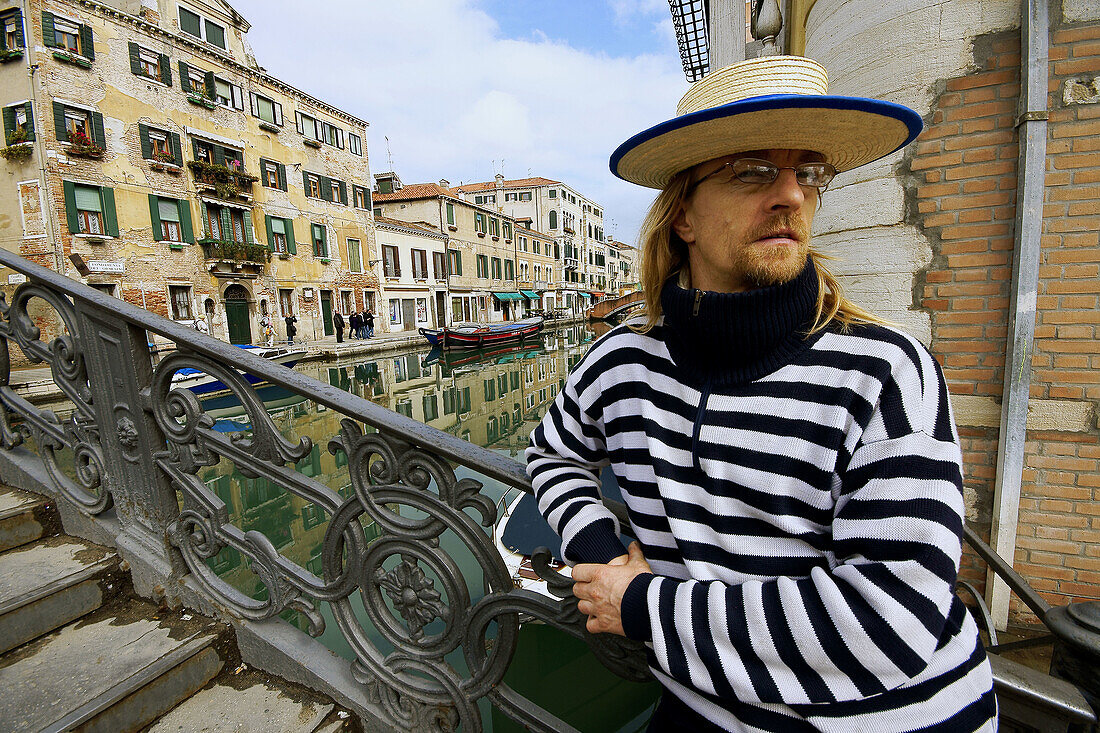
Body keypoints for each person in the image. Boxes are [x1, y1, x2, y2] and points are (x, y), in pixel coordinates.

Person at [526, 56, 995, 732]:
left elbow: (890, 620)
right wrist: (598, 547)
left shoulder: (884, 372)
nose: (792, 196)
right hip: (698, 706)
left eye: (808, 173)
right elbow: (551, 454)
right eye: (752, 172)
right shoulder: (622, 361)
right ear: (682, 214)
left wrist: (640, 604)